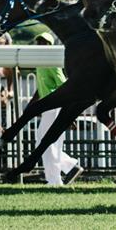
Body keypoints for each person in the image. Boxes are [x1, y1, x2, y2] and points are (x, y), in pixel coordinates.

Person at [32, 32, 83, 185]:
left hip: (56, 106)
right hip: (49, 106)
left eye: (44, 42)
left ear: (50, 45)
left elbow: (64, 85)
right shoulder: (40, 62)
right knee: (41, 142)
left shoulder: (52, 62)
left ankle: (54, 180)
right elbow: (41, 88)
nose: (40, 44)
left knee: (48, 143)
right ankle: (70, 166)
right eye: (39, 42)